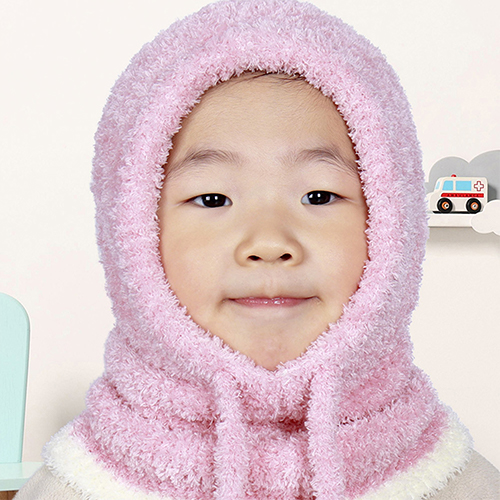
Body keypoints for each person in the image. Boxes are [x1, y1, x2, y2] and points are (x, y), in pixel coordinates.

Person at [15, 0, 499, 498]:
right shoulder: (73, 488)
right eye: (213, 199)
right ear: (131, 235)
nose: (269, 242)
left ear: (393, 225)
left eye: (318, 196)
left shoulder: (462, 484)